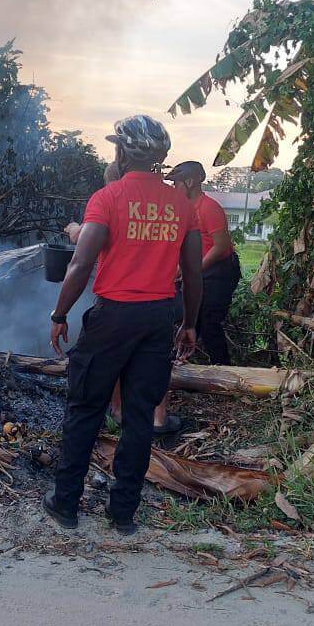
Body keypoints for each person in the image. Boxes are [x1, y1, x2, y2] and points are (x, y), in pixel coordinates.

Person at [44, 115, 202, 535]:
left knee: (85, 409)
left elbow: (80, 262)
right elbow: (193, 272)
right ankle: (123, 514)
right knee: (138, 417)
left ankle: (65, 504)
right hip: (157, 318)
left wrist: (60, 315)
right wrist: (189, 322)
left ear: (120, 151)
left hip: (112, 317)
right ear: (159, 158)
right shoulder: (181, 204)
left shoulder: (109, 197)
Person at [64, 161, 181, 436]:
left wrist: (72, 230)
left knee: (111, 362)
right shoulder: (167, 205)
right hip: (160, 303)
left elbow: (82, 247)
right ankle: (157, 418)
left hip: (118, 304)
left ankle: (117, 411)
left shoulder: (110, 200)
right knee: (153, 366)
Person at [166, 161, 239, 364]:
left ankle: (224, 370)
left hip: (219, 270)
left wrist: (194, 270)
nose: (174, 188)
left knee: (209, 321)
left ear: (189, 182)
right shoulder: (184, 209)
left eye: (176, 184)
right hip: (200, 267)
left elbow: (221, 246)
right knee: (189, 314)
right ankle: (182, 359)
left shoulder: (209, 208)